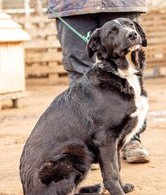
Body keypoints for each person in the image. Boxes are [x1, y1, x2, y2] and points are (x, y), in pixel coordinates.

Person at [47, 0, 150, 163]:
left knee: (130, 67)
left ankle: (130, 138)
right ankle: (85, 147)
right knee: (79, 70)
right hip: (71, 6)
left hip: (122, 3)